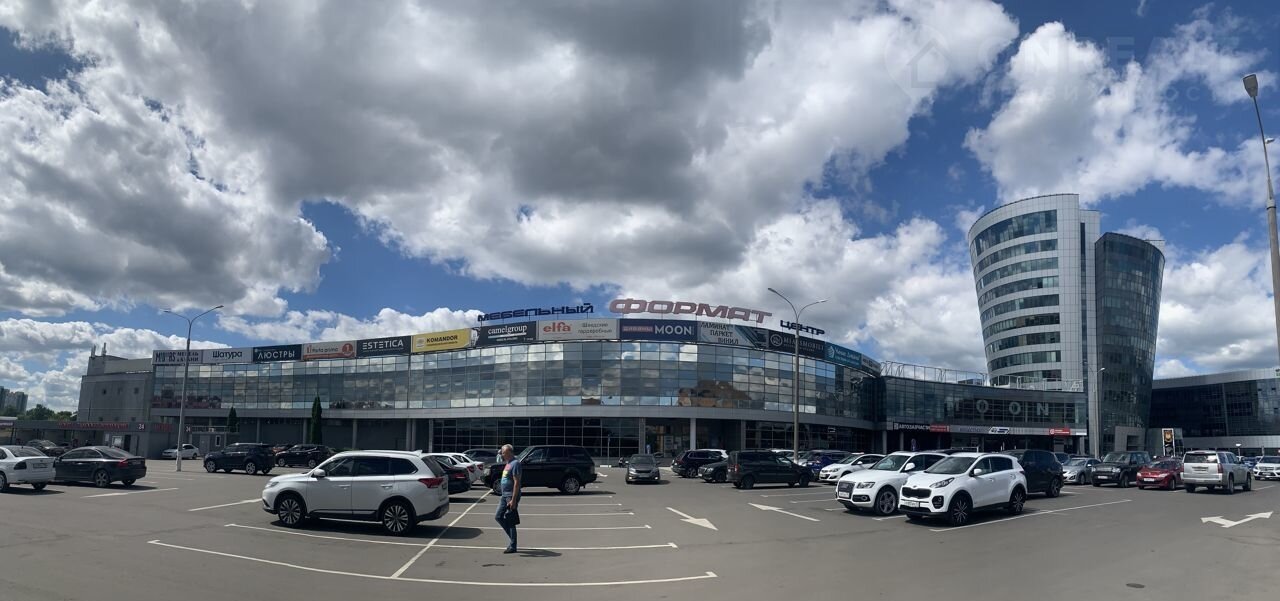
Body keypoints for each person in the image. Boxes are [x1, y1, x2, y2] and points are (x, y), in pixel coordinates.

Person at [494, 444, 521, 554]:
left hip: (511, 496)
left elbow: (517, 483)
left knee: (510, 520)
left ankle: (513, 546)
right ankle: (512, 539)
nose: (502, 454)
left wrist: (513, 500)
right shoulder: (508, 463)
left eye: (503, 453)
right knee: (498, 516)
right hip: (504, 495)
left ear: (509, 452)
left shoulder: (516, 463)